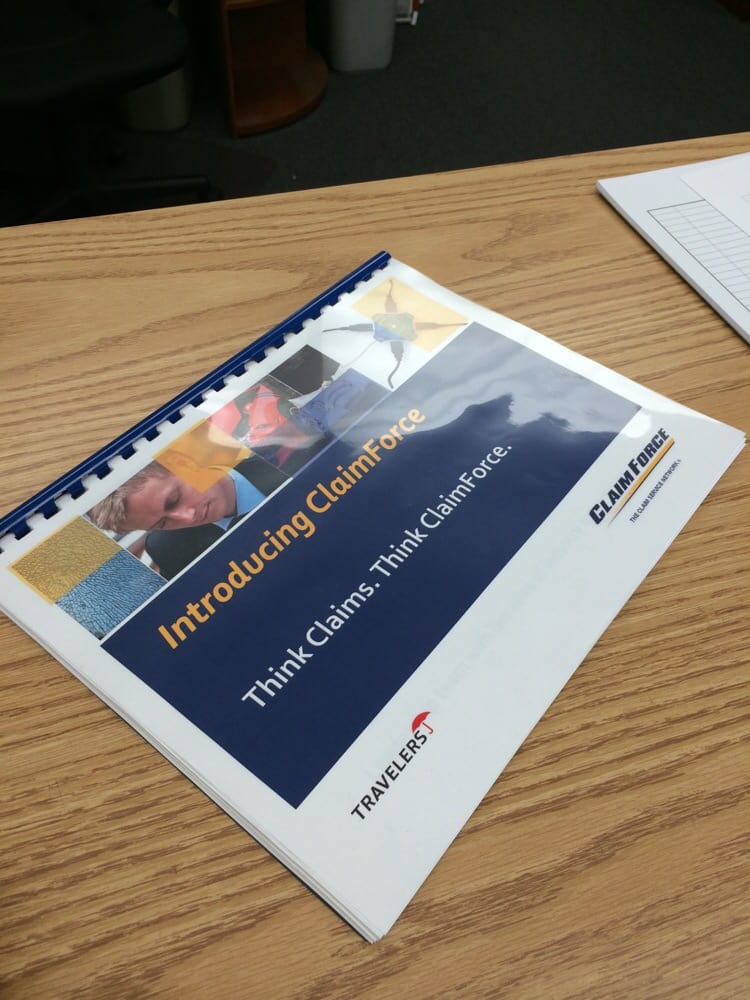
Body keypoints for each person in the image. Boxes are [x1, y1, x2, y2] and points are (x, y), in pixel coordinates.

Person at [88, 455, 287, 578]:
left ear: (182, 463)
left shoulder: (282, 455)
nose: (189, 517)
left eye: (174, 499)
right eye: (163, 523)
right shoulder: (169, 551)